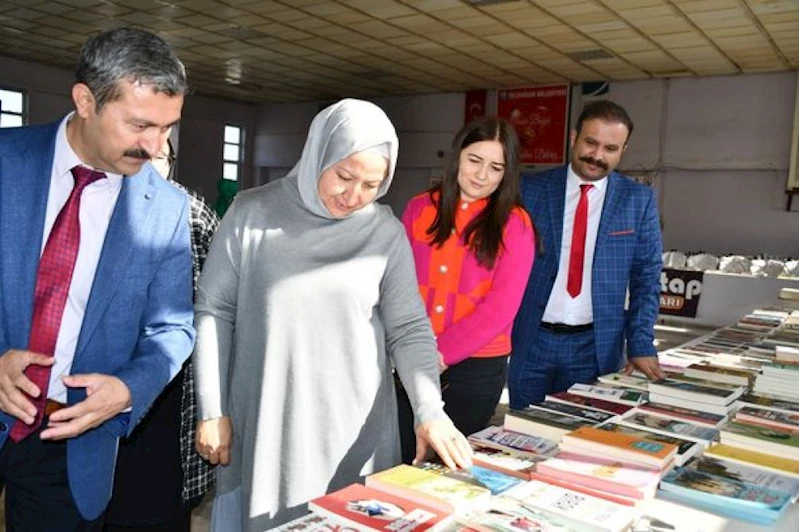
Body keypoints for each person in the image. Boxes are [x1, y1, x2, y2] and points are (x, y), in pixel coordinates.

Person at [193, 98, 472, 531]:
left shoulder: (384, 233)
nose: (353, 195)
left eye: (371, 184)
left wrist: (429, 410)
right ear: (318, 153)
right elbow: (214, 311)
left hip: (354, 428)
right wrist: (212, 410)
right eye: (344, 176)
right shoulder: (252, 212)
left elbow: (409, 330)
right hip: (270, 417)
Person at [0, 27, 195, 530]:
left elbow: (173, 328)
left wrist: (129, 389)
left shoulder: (167, 208)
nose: (155, 147)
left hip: (70, 442)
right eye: (140, 125)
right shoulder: (5, 161)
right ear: (86, 100)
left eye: (167, 128)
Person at [508, 100, 665, 410]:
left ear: (623, 150)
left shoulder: (638, 200)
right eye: (590, 143)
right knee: (523, 431)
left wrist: (641, 342)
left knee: (582, 441)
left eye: (610, 148)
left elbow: (647, 278)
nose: (597, 155)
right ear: (573, 138)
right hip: (532, 341)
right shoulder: (529, 190)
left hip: (595, 347)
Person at [396, 117, 536, 462]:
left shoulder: (515, 223)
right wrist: (415, 352)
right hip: (411, 359)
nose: (481, 175)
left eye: (495, 167)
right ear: (458, 156)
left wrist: (439, 354)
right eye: (474, 160)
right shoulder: (419, 208)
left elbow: (501, 307)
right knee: (400, 457)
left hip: (476, 368)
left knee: (449, 465)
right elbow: (396, 284)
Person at [105, 138, 219, 531]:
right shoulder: (96, 206)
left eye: (160, 157)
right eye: (140, 154)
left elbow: (213, 306)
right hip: (103, 382)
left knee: (160, 507)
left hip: (172, 387)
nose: (151, 167)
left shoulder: (193, 213)